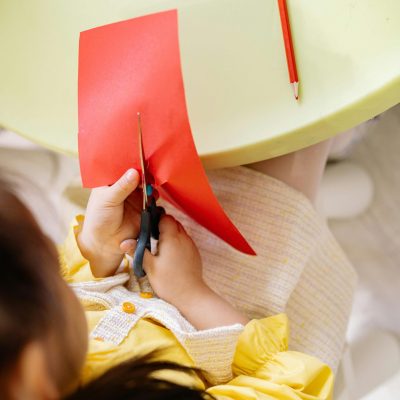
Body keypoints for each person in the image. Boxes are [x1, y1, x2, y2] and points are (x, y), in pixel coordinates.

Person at [0, 139, 355, 399]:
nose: (64, 276)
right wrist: (192, 294)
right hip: (240, 328)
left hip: (155, 259)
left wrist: (94, 250)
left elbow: (64, 296)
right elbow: (284, 388)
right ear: (32, 371)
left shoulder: (25, 351)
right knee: (286, 153)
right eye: (56, 277)